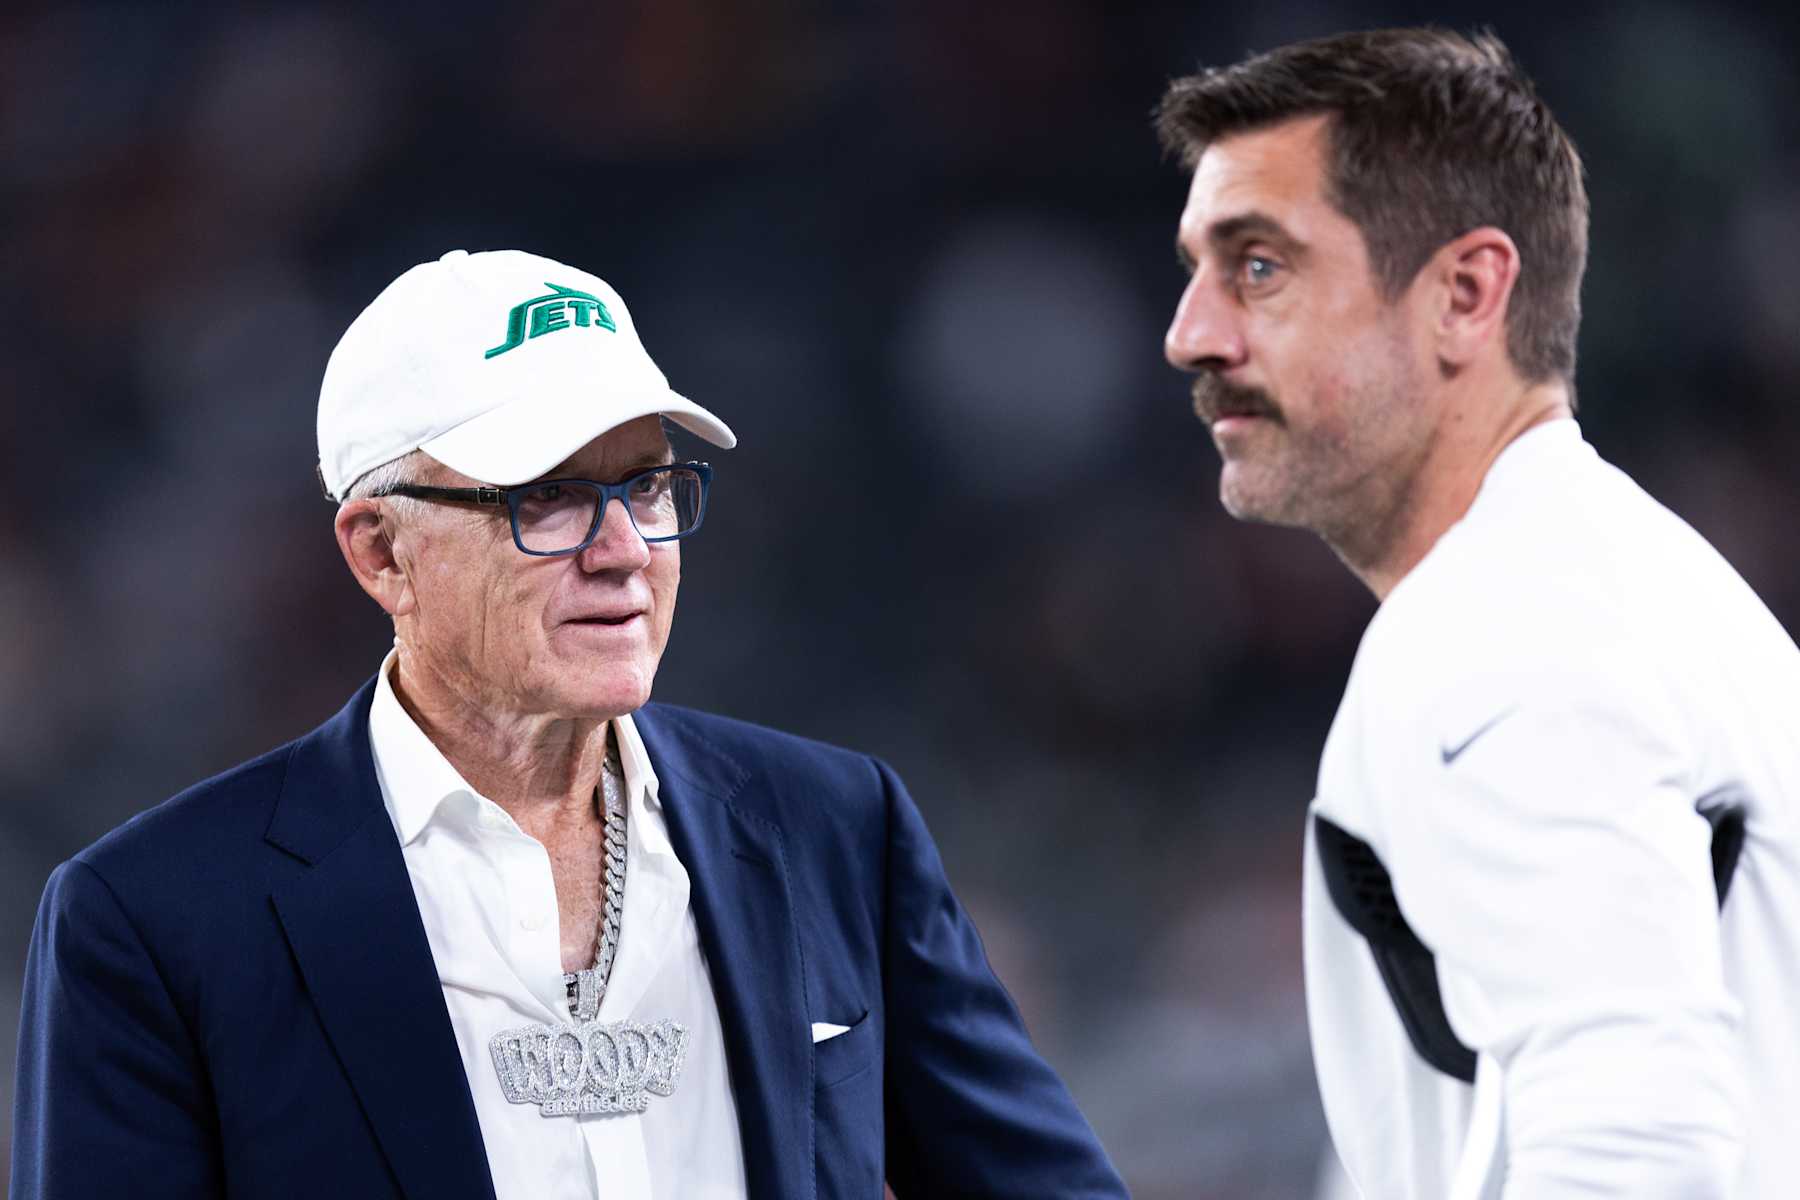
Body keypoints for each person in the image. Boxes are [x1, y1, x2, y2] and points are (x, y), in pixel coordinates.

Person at [11, 249, 1128, 1200]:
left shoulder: (836, 828)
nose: (624, 550)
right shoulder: (153, 923)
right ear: (380, 552)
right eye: (542, 497)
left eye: (645, 486)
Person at [1158, 28, 1800, 1200]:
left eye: (1258, 267)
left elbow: (1635, 1150)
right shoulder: (1621, 585)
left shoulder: (1506, 625)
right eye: (1199, 269)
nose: (1192, 332)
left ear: (1465, 294)